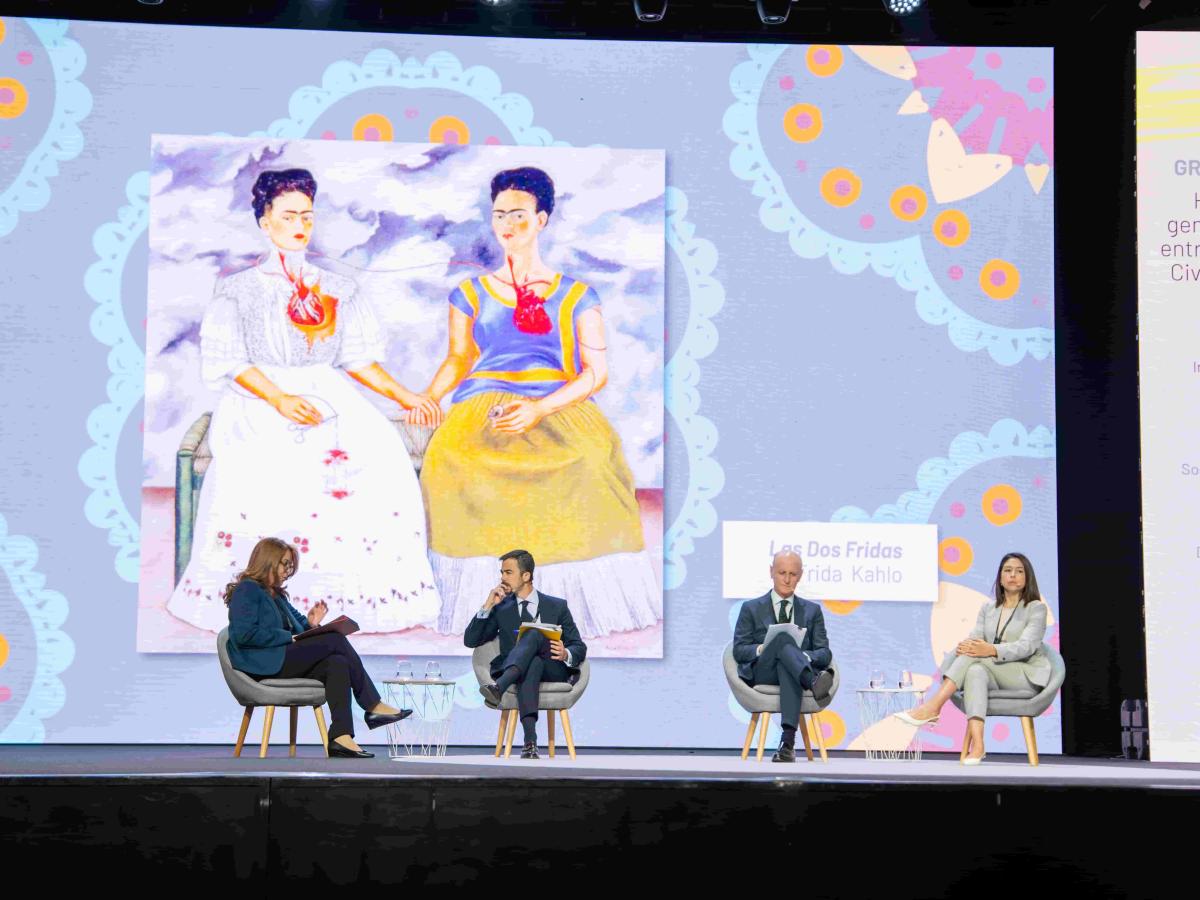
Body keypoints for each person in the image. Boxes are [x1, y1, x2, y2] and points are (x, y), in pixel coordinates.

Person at [168, 167, 441, 634]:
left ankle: (360, 597)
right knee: (284, 466)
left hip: (327, 391)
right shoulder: (238, 290)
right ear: (265, 221)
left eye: (307, 216)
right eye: (289, 215)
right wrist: (280, 399)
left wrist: (407, 396)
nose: (300, 225)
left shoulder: (334, 288)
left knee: (377, 452)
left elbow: (356, 359)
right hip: (258, 397)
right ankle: (273, 604)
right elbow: (230, 361)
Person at [413, 166, 660, 639]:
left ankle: (564, 608)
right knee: (449, 458)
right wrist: (429, 396)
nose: (507, 224)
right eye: (499, 214)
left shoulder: (576, 295)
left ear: (542, 219)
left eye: (519, 215)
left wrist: (540, 409)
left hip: (557, 404)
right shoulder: (469, 293)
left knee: (588, 460)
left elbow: (596, 373)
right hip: (482, 406)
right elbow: (459, 358)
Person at [224, 537, 411, 758]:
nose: (288, 571)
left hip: (280, 659)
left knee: (337, 663)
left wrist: (312, 624)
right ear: (268, 561)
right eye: (285, 564)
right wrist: (287, 636)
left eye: (291, 566)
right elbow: (244, 635)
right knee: (335, 640)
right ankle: (373, 705)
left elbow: (300, 629)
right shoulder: (247, 590)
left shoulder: (277, 595)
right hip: (263, 663)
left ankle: (341, 737)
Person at [894, 552, 1052, 765]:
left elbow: (1027, 646)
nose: (1013, 575)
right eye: (1007, 570)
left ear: (1027, 577)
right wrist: (967, 646)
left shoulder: (1036, 608)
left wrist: (990, 649)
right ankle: (978, 745)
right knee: (975, 670)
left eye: (1019, 571)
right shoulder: (988, 608)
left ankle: (933, 706)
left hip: (1024, 674)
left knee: (976, 660)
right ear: (1000, 577)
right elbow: (976, 637)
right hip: (993, 671)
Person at [464, 549, 587, 759]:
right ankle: (530, 743)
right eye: (502, 572)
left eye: (508, 572)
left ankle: (499, 687)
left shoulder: (557, 606)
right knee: (532, 664)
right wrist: (488, 605)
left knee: (534, 634)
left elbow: (578, 646)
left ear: (526, 575)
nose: (502, 578)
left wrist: (565, 652)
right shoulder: (501, 608)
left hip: (552, 668)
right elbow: (471, 641)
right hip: (522, 670)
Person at [732, 551, 835, 763]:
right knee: (781, 639)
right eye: (782, 573)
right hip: (763, 671)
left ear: (800, 576)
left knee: (787, 665)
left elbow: (824, 653)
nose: (787, 579)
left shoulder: (812, 611)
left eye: (793, 574)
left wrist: (799, 656)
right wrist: (763, 648)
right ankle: (812, 681)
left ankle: (787, 744)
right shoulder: (750, 608)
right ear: (771, 572)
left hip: (793, 673)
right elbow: (739, 650)